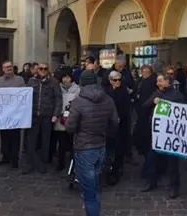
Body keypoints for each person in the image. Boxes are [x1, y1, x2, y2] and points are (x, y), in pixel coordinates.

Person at [66, 70, 119, 216]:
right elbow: (115, 122)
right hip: (101, 146)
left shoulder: (78, 102)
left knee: (89, 192)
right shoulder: (108, 99)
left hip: (84, 148)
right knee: (94, 185)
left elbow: (70, 127)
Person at [141, 73, 185, 197]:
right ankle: (151, 181)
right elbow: (145, 105)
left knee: (172, 162)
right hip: (157, 133)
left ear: (168, 82)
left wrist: (163, 102)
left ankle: (174, 187)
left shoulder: (177, 95)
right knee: (152, 158)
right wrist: (154, 101)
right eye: (157, 81)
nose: (157, 83)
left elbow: (181, 110)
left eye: (160, 81)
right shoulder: (156, 93)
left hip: (171, 134)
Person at [23, 62, 62, 174]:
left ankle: (42, 163)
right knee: (31, 141)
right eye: (41, 69)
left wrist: (56, 114)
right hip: (33, 115)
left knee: (45, 141)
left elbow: (58, 99)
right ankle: (31, 163)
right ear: (37, 70)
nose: (43, 71)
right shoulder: (32, 81)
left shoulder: (53, 82)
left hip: (47, 116)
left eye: (45, 69)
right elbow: (25, 97)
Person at [0, 61, 26, 168]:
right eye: (6, 67)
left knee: (15, 136)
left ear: (13, 68)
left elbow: (24, 95)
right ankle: (5, 157)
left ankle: (14, 158)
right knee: (4, 136)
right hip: (3, 114)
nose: (8, 68)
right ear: (3, 69)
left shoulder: (20, 80)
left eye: (10, 67)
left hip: (16, 114)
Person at [52, 68, 79, 171]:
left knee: (73, 143)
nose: (66, 80)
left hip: (72, 118)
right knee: (61, 143)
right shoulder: (57, 88)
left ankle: (73, 164)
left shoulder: (77, 89)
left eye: (67, 77)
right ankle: (60, 163)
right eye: (64, 77)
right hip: (60, 118)